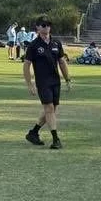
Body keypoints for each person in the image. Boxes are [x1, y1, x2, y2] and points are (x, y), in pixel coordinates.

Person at [23, 18, 73, 149]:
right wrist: (30, 84)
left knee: (51, 109)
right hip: (42, 82)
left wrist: (67, 79)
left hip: (55, 81)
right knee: (49, 109)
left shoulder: (56, 43)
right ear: (38, 28)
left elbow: (62, 62)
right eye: (44, 25)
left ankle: (33, 133)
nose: (47, 28)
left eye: (49, 25)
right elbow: (26, 66)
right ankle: (56, 139)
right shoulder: (33, 45)